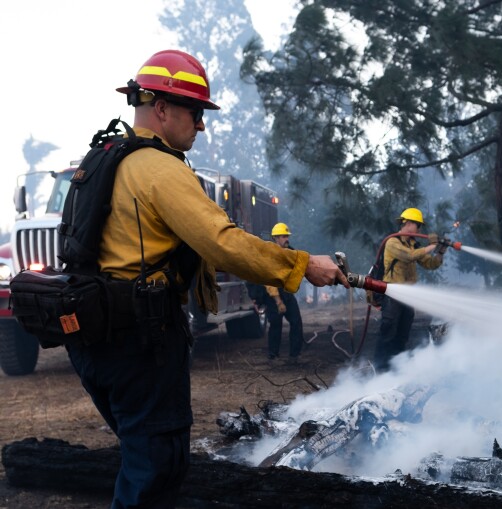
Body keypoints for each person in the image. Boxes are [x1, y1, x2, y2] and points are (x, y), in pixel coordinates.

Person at [65, 49, 348, 509]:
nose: (201, 125)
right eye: (195, 112)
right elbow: (223, 242)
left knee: (145, 458)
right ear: (160, 107)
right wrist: (300, 265)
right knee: (155, 468)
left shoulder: (104, 158)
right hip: (141, 343)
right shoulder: (160, 168)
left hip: (99, 339)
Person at [373, 207, 445, 372]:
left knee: (403, 332)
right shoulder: (392, 242)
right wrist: (432, 245)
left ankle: (398, 366)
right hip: (392, 292)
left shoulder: (414, 245)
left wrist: (441, 251)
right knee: (388, 330)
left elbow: (430, 264)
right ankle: (381, 368)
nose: (419, 229)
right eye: (417, 225)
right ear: (408, 223)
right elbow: (409, 256)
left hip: (408, 295)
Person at [265, 222, 305, 360]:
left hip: (287, 293)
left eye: (287, 236)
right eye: (283, 236)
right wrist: (278, 301)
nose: (286, 239)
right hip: (274, 295)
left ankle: (295, 354)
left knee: (296, 322)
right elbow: (269, 280)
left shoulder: (290, 253)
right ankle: (273, 355)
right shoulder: (270, 255)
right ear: (275, 238)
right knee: (276, 324)